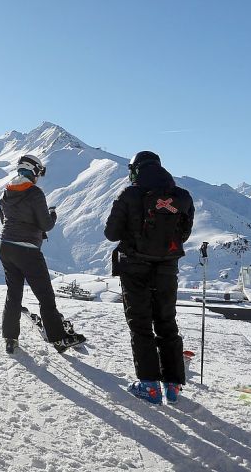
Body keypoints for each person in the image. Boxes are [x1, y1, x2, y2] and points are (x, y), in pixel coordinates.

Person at [104, 151, 194, 405]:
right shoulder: (182, 196)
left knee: (140, 324)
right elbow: (183, 234)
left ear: (135, 170)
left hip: (134, 266)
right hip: (167, 268)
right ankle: (173, 386)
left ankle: (149, 385)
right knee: (167, 322)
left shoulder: (129, 194)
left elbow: (111, 233)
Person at [0, 154, 85, 354]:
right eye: (38, 173)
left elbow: (5, 220)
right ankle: (58, 339)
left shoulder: (6, 192)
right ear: (34, 170)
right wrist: (52, 214)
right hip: (27, 250)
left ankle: (10, 338)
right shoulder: (35, 193)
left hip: (6, 247)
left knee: (14, 294)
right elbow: (45, 224)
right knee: (45, 296)